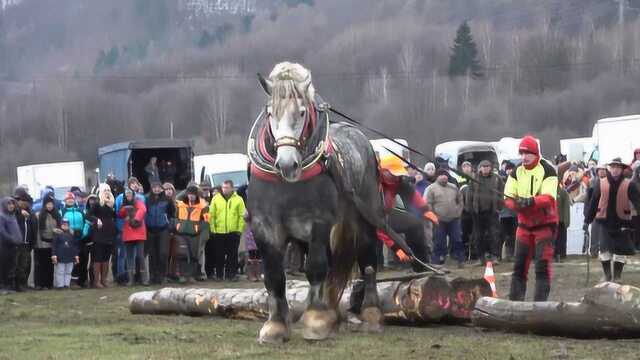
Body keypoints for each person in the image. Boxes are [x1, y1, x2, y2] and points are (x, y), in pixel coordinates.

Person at [504, 135, 558, 302]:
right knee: (519, 267)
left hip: (544, 225)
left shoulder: (548, 170)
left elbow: (549, 198)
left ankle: (539, 307)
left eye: (527, 153)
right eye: (521, 153)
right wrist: (517, 205)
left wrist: (531, 201)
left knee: (541, 268)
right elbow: (508, 198)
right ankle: (515, 303)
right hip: (524, 225)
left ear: (536, 153)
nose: (524, 157)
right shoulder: (516, 171)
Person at [584, 158, 640, 282]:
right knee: (604, 250)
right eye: (613, 167)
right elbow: (593, 203)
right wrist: (587, 220)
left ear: (622, 169)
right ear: (609, 168)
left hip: (622, 223)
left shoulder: (629, 184)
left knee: (620, 252)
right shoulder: (600, 183)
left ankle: (618, 276)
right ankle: (607, 275)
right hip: (604, 222)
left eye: (618, 167)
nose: (615, 170)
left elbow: (638, 203)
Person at [468, 160, 504, 265]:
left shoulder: (497, 179)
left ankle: (495, 257)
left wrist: (499, 207)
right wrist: (470, 208)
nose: (485, 168)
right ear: (480, 168)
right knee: (478, 236)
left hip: (492, 211)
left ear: (491, 167)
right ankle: (480, 258)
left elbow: (501, 193)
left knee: (494, 235)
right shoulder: (474, 179)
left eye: (487, 166)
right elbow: (469, 195)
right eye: (483, 166)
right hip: (477, 212)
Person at [209, 180, 246, 282]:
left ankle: (231, 275)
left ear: (232, 188)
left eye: (227, 187)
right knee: (219, 255)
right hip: (219, 232)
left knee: (232, 255)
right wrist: (213, 229)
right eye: (223, 187)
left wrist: (239, 230)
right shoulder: (216, 199)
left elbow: (242, 216)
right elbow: (212, 215)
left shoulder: (238, 199)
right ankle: (219, 275)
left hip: (233, 232)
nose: (224, 189)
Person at [426, 168, 463, 267]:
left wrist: (458, 212)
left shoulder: (454, 187)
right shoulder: (431, 188)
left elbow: (460, 200)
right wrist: (433, 216)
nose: (444, 177)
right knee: (439, 241)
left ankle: (458, 259)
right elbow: (427, 204)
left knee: (457, 239)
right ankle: (436, 261)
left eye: (445, 175)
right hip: (438, 220)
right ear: (437, 176)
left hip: (454, 219)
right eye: (441, 175)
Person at [175, 184, 208, 283]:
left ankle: (191, 276)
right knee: (182, 255)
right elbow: (175, 217)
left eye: (193, 194)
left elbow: (206, 221)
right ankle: (182, 276)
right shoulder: (180, 204)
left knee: (194, 255)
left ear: (196, 195)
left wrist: (200, 230)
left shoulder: (203, 206)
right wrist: (178, 225)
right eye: (189, 194)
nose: (191, 196)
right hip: (182, 233)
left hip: (195, 234)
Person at [145, 180, 175, 284]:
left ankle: (163, 276)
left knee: (163, 253)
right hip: (150, 230)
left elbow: (172, 214)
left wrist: (170, 227)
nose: (156, 189)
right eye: (154, 187)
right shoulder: (147, 199)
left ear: (161, 188)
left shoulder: (167, 199)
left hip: (163, 229)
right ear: (152, 188)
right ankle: (153, 276)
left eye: (158, 187)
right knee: (152, 254)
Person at [86, 184, 117, 288]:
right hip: (99, 234)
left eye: (108, 190)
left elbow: (115, 217)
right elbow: (88, 215)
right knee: (97, 258)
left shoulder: (112, 204)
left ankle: (104, 279)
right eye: (105, 190)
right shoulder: (97, 204)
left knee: (106, 258)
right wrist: (96, 219)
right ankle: (96, 281)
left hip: (109, 234)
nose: (107, 192)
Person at [119, 189, 148, 286]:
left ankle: (144, 279)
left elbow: (143, 210)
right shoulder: (124, 205)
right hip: (128, 233)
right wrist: (124, 208)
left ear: (133, 195)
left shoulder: (138, 202)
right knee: (129, 257)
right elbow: (120, 214)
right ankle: (131, 280)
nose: (128, 195)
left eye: (130, 194)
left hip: (139, 232)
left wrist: (136, 219)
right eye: (126, 194)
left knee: (140, 256)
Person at [13, 187, 37, 292]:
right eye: (21, 201)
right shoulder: (15, 212)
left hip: (27, 243)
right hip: (17, 243)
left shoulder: (30, 213)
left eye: (25, 201)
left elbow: (33, 227)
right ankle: (16, 285)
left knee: (26, 265)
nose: (23, 203)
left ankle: (24, 284)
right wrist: (20, 212)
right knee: (17, 265)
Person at [35, 195, 61, 290]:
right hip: (41, 244)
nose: (50, 206)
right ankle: (40, 284)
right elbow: (38, 230)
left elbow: (60, 227)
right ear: (44, 204)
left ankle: (49, 284)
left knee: (50, 265)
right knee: (41, 265)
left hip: (53, 243)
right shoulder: (39, 215)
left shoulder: (56, 214)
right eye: (48, 204)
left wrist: (58, 230)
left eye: (51, 204)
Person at [0, 198, 23, 294]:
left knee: (11, 267)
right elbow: (2, 231)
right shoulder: (1, 216)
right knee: (4, 266)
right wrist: (11, 239)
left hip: (14, 246)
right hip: (4, 246)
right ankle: (3, 287)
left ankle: (9, 286)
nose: (11, 206)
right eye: (9, 204)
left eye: (12, 204)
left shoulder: (13, 216)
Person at [51, 219, 79, 290]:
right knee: (60, 271)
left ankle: (66, 284)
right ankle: (60, 285)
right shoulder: (57, 234)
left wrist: (76, 255)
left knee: (68, 271)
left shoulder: (71, 234)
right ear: (61, 225)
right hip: (61, 256)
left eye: (67, 225)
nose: (65, 226)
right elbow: (54, 245)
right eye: (63, 224)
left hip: (70, 256)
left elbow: (74, 245)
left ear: (69, 226)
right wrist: (54, 255)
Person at [556, 184, 572, 262]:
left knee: (561, 239)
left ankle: (562, 254)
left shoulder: (563, 192)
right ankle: (553, 254)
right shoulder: (546, 191)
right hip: (550, 221)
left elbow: (566, 208)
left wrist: (567, 220)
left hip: (561, 220)